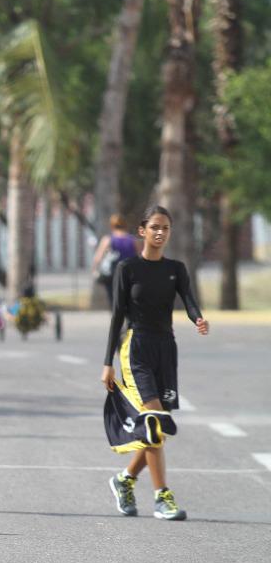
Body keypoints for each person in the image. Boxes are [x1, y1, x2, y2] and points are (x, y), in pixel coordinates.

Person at [101, 205, 207, 522]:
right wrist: (107, 363)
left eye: (166, 228)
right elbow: (117, 315)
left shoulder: (176, 268)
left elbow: (188, 299)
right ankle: (162, 497)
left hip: (166, 348)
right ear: (142, 231)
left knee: (157, 428)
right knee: (154, 421)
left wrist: (198, 318)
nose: (161, 233)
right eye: (155, 227)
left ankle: (125, 480)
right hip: (135, 347)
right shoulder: (128, 269)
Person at [91, 214, 139, 306]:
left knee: (113, 298)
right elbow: (140, 255)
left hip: (112, 274)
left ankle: (116, 316)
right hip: (129, 273)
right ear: (125, 225)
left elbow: (98, 257)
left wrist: (94, 269)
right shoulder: (132, 239)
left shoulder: (108, 239)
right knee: (128, 297)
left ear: (112, 226)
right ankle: (128, 315)